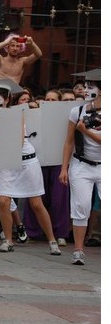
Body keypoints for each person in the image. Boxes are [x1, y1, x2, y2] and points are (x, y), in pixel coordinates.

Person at [0, 83, 62, 256]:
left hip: (26, 160)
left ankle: (52, 240)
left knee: (36, 203)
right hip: (5, 162)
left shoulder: (17, 113)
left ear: (7, 100)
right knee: (4, 200)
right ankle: (8, 240)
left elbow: (19, 139)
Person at [59, 69, 101, 266]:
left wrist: (85, 130)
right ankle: (78, 249)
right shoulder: (77, 111)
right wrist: (64, 168)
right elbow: (68, 142)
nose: (86, 90)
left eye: (91, 86)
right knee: (81, 206)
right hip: (81, 164)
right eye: (85, 86)